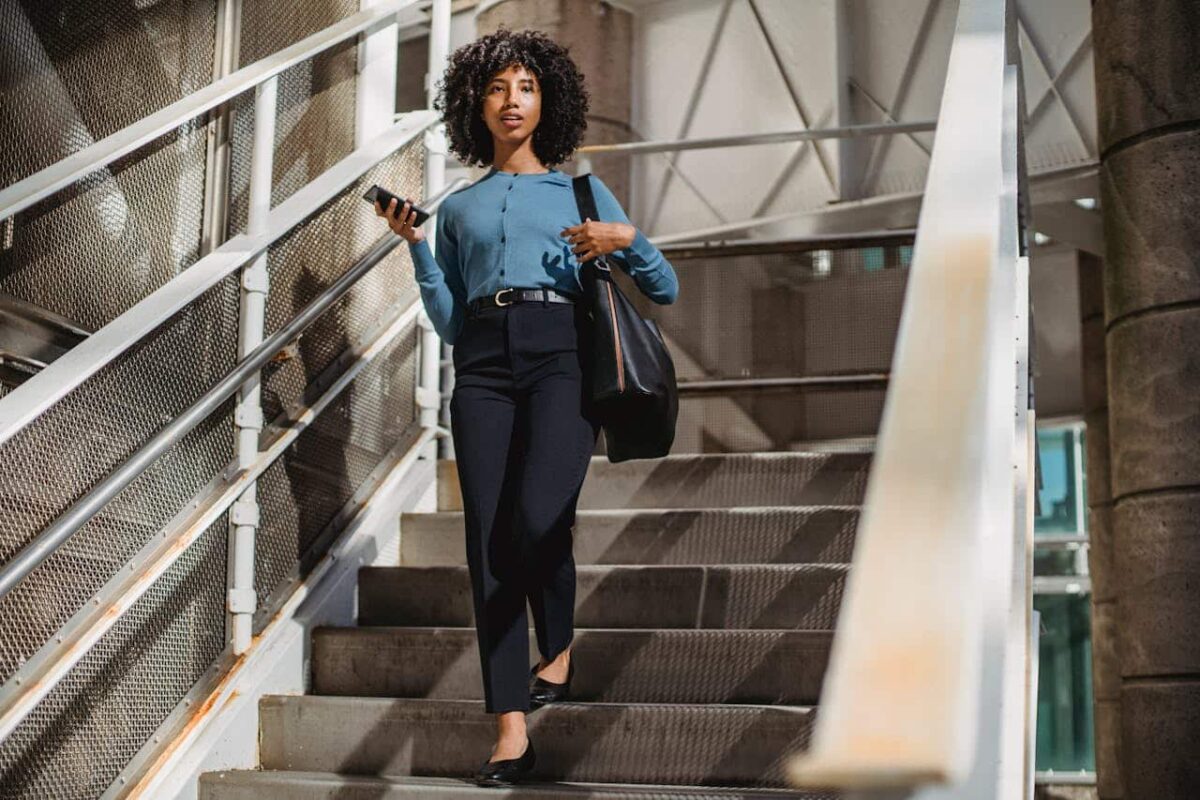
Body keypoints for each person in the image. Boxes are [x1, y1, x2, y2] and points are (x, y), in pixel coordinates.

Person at [376, 26, 678, 786]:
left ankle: (563, 643)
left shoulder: (579, 191)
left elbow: (664, 287)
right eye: (497, 89)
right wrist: (416, 247)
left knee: (538, 518)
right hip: (480, 364)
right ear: (475, 105)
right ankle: (511, 728)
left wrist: (626, 237)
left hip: (561, 359)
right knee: (489, 541)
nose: (512, 102)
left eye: (526, 88)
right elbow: (448, 322)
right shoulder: (461, 210)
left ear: (548, 102)